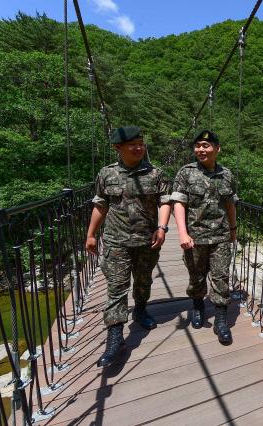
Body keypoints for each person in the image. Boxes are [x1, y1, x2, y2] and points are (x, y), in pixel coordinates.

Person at [85, 125, 172, 367]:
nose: (138, 147)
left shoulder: (156, 173)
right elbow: (100, 204)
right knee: (116, 287)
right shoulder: (107, 174)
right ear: (117, 148)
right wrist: (91, 234)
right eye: (132, 144)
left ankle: (141, 310)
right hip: (116, 241)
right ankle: (115, 337)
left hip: (147, 240)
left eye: (141, 143)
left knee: (144, 281)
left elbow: (165, 201)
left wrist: (162, 228)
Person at [171, 129, 238, 344]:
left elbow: (230, 204)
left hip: (220, 236)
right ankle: (198, 306)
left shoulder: (226, 174)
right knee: (196, 277)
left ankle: (220, 320)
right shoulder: (186, 173)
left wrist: (233, 230)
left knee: (221, 278)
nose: (201, 149)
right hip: (195, 237)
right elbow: (178, 203)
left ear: (217, 149)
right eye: (198, 145)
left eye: (206, 146)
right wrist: (182, 232)